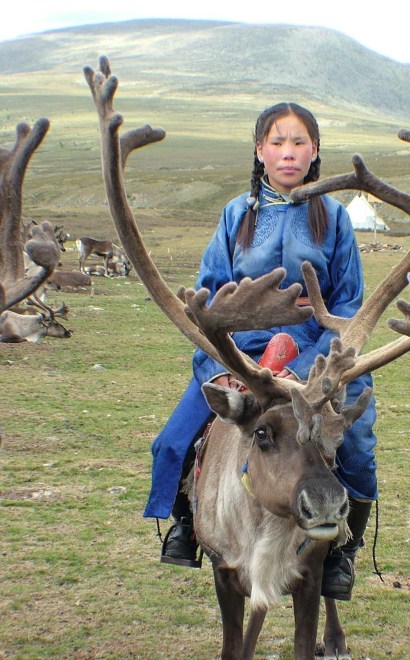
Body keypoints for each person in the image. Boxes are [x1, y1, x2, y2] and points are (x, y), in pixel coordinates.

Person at [144, 102, 377, 601]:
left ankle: (340, 552)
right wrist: (228, 367)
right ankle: (188, 526)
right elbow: (207, 300)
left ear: (315, 152)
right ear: (259, 150)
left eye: (298, 142)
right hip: (239, 361)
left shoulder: (334, 219)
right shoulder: (235, 216)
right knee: (172, 441)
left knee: (357, 448)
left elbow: (350, 305)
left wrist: (307, 373)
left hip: (319, 363)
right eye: (277, 142)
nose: (287, 153)